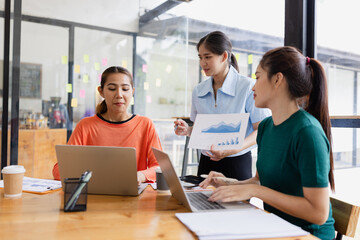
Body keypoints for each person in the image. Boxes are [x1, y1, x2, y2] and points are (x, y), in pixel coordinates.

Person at [200, 46, 335, 240]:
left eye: (257, 77)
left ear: (277, 79)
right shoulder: (265, 127)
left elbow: (319, 213)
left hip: (307, 235)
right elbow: (259, 180)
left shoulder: (308, 133)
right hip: (275, 228)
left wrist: (256, 190)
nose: (253, 87)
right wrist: (230, 185)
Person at [174, 31, 270, 180]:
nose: (202, 63)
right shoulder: (199, 90)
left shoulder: (248, 87)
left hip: (236, 163)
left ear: (224, 56)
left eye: (208, 57)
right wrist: (187, 130)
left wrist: (232, 149)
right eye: (200, 57)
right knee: (201, 203)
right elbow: (202, 130)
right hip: (206, 163)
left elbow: (262, 130)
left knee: (236, 203)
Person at [52, 66, 162, 184]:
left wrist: (140, 176)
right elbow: (59, 170)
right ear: (101, 91)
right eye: (112, 88)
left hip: (133, 198)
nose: (119, 95)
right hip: (94, 197)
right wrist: (89, 176)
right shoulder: (85, 126)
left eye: (125, 89)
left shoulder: (145, 124)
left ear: (132, 92)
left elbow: (159, 167)